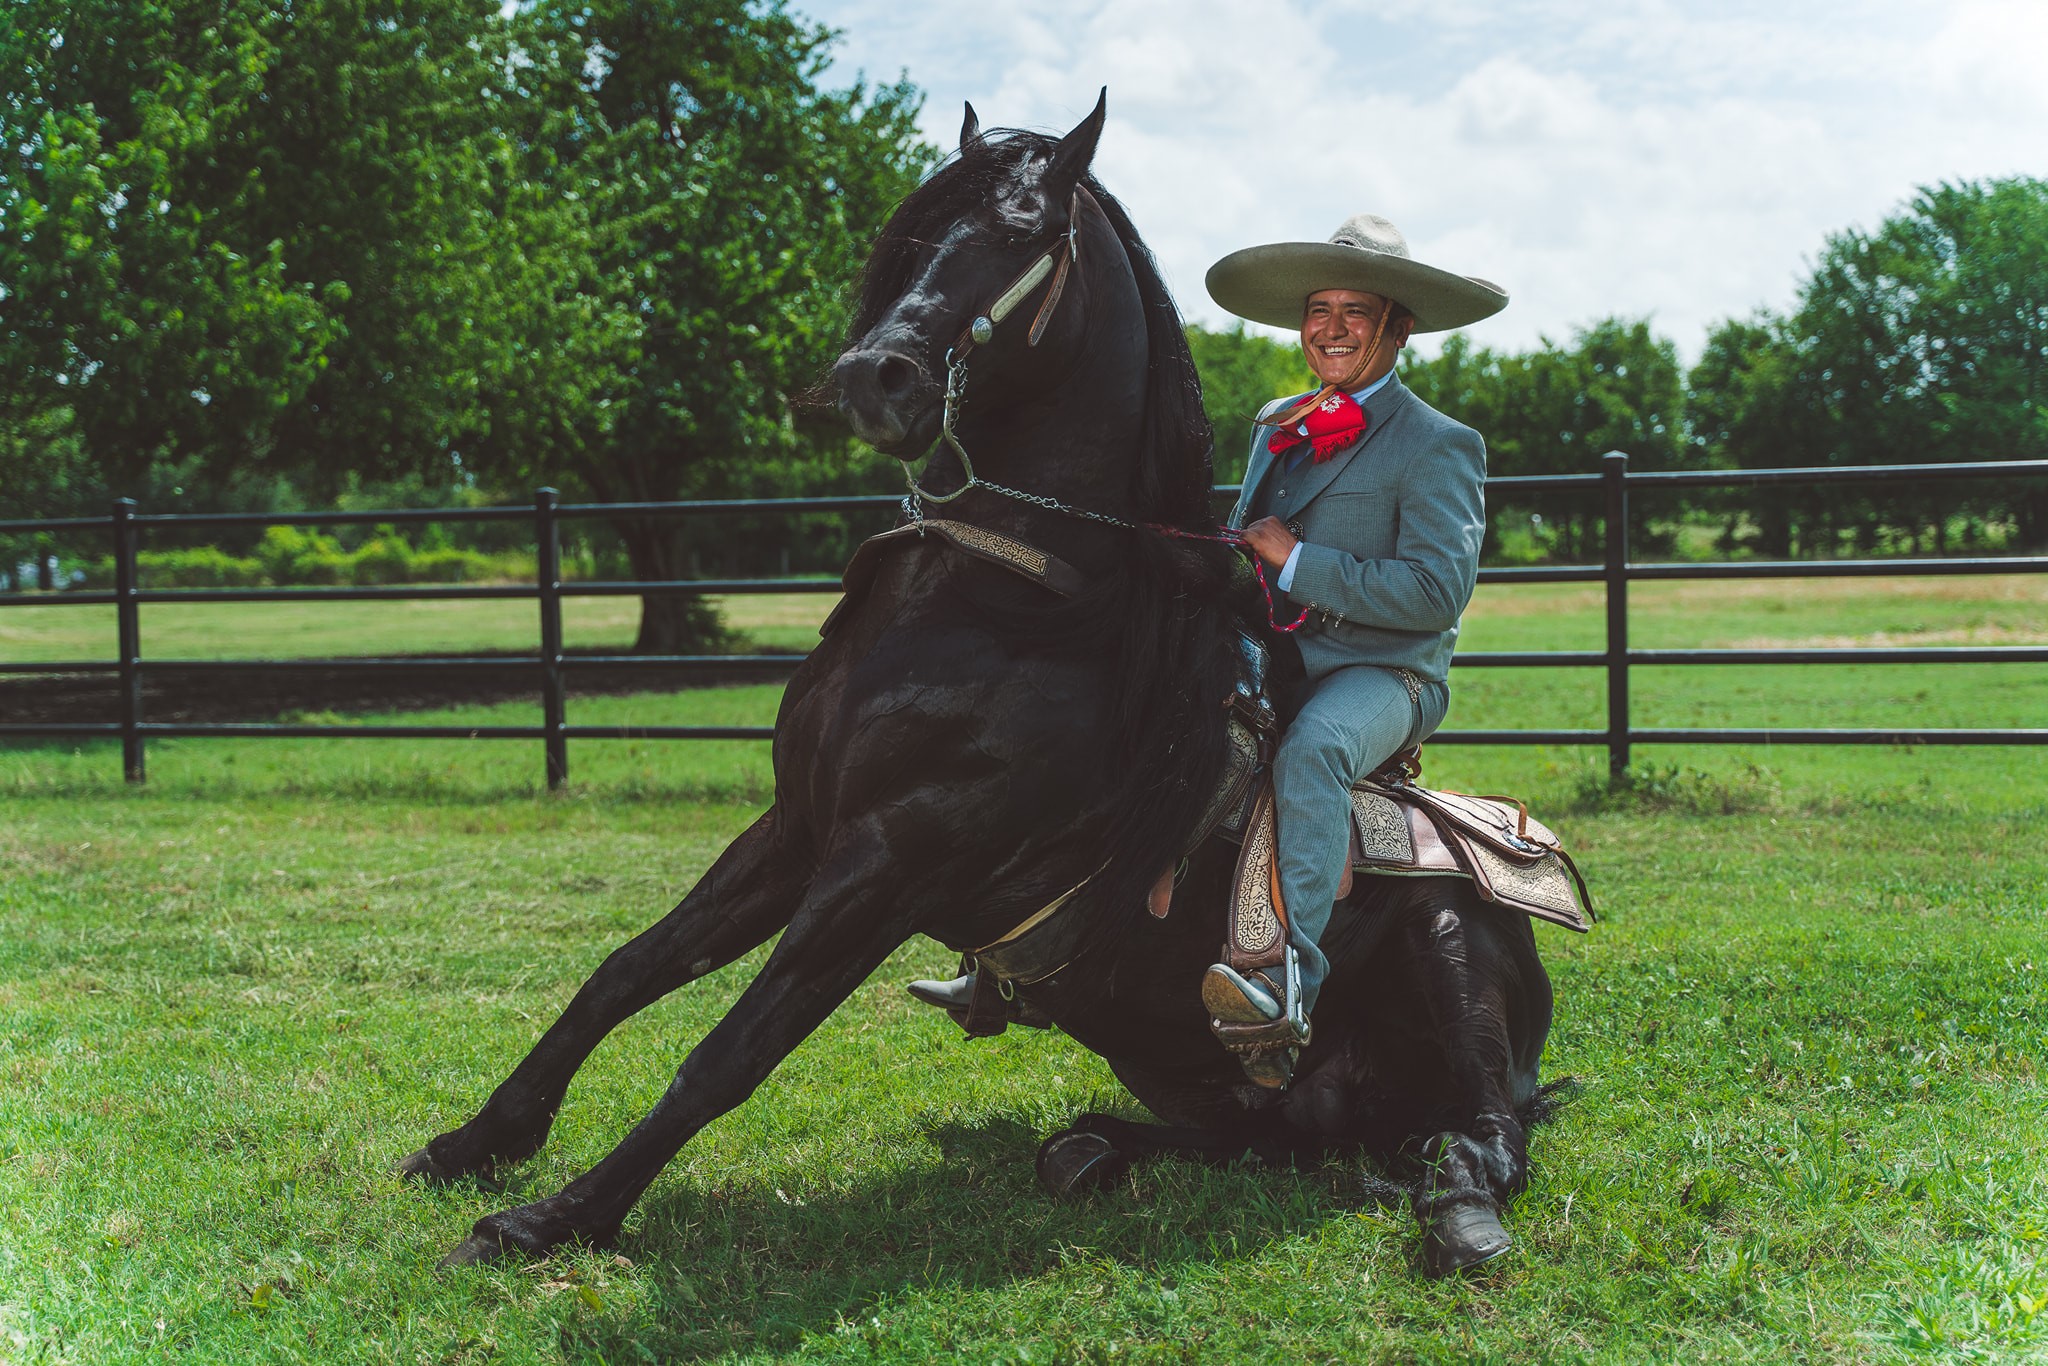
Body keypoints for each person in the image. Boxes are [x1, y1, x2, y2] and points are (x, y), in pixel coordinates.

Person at [1198, 214, 1507, 1087]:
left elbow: (1435, 594)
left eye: (1354, 311)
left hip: (1385, 671)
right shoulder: (1277, 423)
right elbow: (1245, 537)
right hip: (1271, 652)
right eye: (1317, 309)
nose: (1329, 327)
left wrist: (1295, 561)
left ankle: (1284, 981)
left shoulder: (1438, 443)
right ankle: (1020, 956)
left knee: (1316, 750)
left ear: (1396, 327)